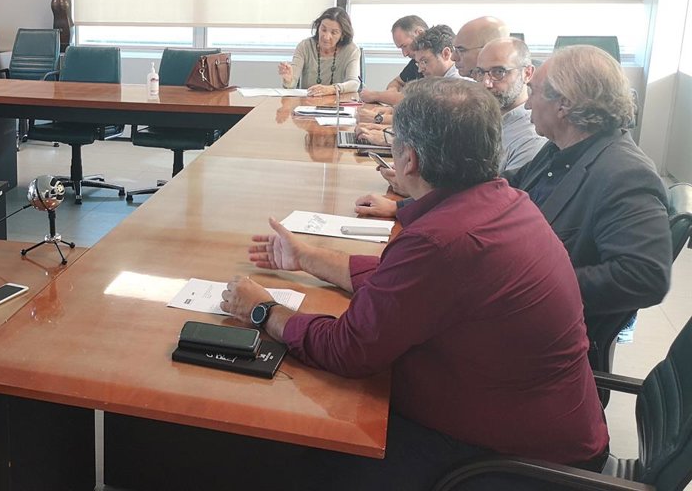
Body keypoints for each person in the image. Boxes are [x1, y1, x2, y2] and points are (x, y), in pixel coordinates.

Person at [223, 78, 608, 489]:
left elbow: (348, 350)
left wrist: (264, 310)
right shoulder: (505, 202)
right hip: (542, 427)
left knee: (285, 455)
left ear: (409, 159)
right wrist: (307, 257)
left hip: (514, 462)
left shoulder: (442, 241)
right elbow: (403, 286)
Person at [355, 46, 671, 371]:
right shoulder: (560, 150)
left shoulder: (625, 174)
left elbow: (645, 277)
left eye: (534, 92)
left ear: (564, 104)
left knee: (381, 339)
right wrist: (407, 203)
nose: (528, 102)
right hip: (505, 307)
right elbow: (496, 187)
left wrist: (534, 284)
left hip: (537, 340)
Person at [473, 37, 547, 171]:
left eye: (498, 72)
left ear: (527, 73)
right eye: (481, 73)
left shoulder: (532, 138)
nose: (486, 83)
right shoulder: (478, 119)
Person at [278, 7, 362, 97]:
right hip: (307, 103)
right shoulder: (305, 46)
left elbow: (354, 84)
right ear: (318, 27)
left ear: (342, 35)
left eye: (334, 33)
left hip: (338, 103)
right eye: (323, 30)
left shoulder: (351, 50)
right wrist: (288, 79)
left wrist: (331, 89)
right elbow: (291, 85)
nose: (326, 37)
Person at [359, 15, 426, 105]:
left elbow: (417, 101)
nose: (404, 54)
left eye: (405, 46)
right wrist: (392, 91)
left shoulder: (435, 62)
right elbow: (397, 82)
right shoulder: (415, 62)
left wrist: (376, 95)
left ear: (420, 33)